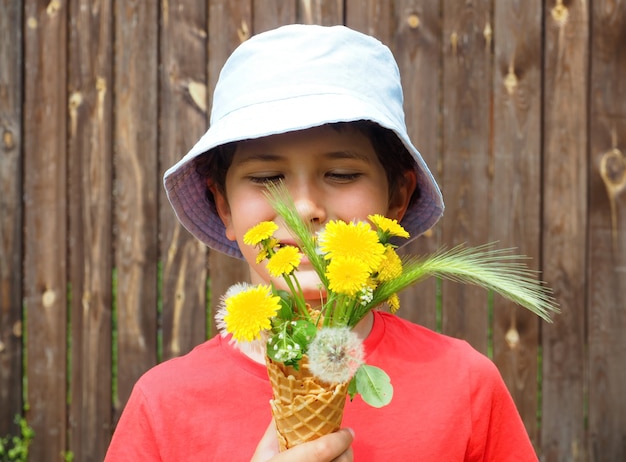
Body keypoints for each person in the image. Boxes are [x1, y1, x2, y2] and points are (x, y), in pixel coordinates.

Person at [105, 24, 538, 461]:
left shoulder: (465, 386)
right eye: (267, 179)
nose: (306, 206)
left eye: (342, 174)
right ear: (224, 207)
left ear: (397, 198)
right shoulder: (162, 407)